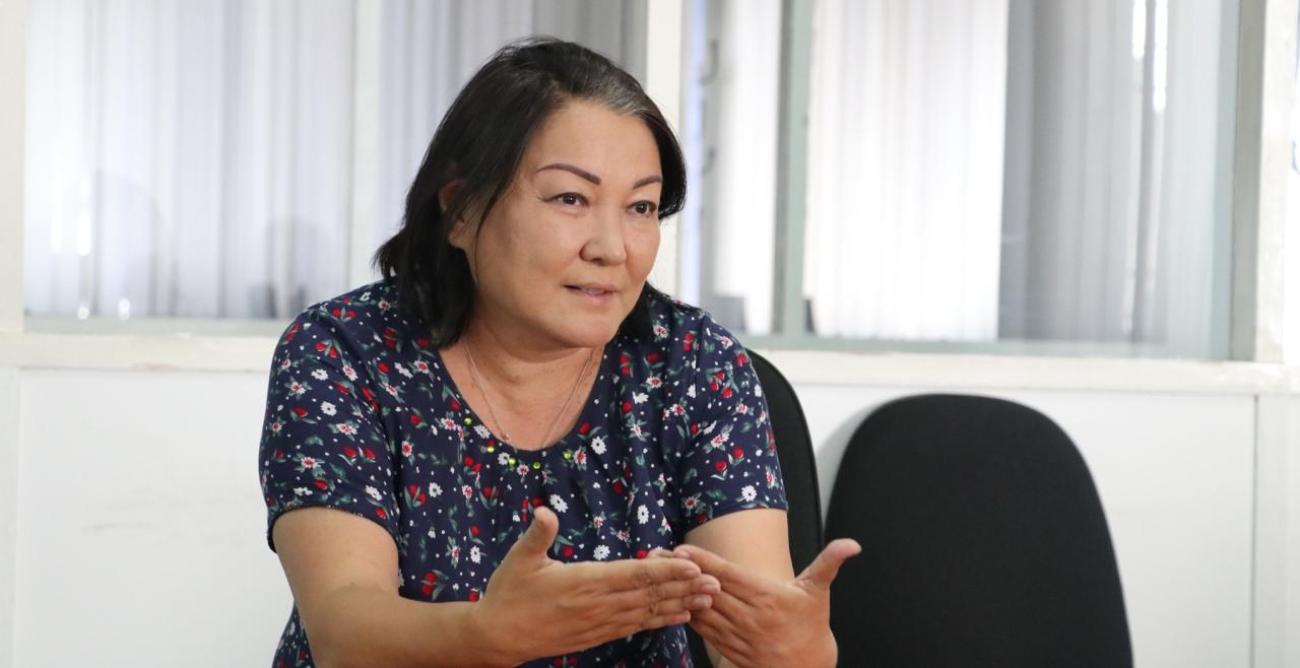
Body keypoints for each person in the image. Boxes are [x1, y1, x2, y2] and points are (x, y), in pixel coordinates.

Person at [258, 37, 860, 667]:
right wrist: (483, 637)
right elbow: (344, 631)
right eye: (570, 198)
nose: (612, 247)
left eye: (641, 207)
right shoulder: (346, 353)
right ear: (459, 208)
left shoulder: (692, 363)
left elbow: (751, 628)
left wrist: (796, 652)